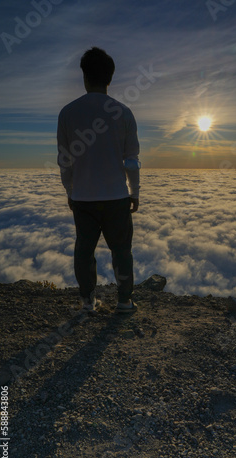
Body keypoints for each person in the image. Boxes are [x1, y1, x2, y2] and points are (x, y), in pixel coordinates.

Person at [57, 47, 140, 313]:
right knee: (122, 251)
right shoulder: (123, 112)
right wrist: (134, 191)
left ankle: (87, 301)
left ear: (84, 76)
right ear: (110, 78)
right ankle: (125, 302)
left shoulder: (68, 113)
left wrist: (70, 190)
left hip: (83, 198)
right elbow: (131, 159)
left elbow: (64, 160)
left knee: (84, 250)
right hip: (117, 196)